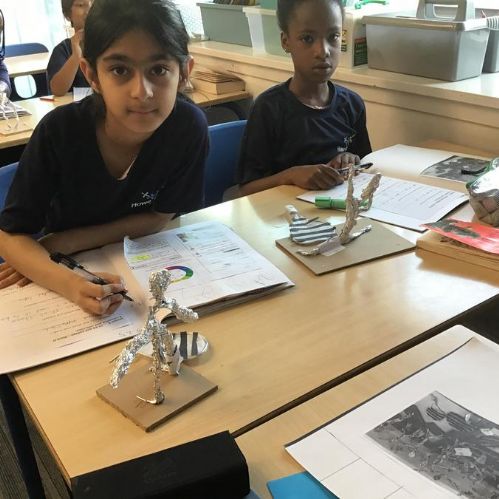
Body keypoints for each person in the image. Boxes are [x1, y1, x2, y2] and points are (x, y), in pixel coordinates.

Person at [0, 0, 208, 316]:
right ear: (92, 75)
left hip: (139, 259)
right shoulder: (60, 132)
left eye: (159, 70)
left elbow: (161, 216)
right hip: (67, 271)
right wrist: (70, 283)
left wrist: (65, 241)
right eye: (120, 70)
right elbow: (10, 235)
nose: (142, 92)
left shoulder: (187, 127)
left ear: (184, 73)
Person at [236, 0, 371, 196]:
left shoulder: (352, 105)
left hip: (338, 209)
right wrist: (290, 176)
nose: (323, 51)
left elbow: (366, 166)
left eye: (333, 36)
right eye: (307, 38)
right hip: (283, 212)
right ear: (286, 42)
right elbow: (246, 189)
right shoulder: (269, 108)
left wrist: (351, 159)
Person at [47, 0, 92, 96]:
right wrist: (76, 56)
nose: (89, 10)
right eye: (81, 5)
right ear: (67, 15)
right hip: (79, 104)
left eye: (93, 3)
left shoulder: (111, 44)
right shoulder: (63, 49)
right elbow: (57, 90)